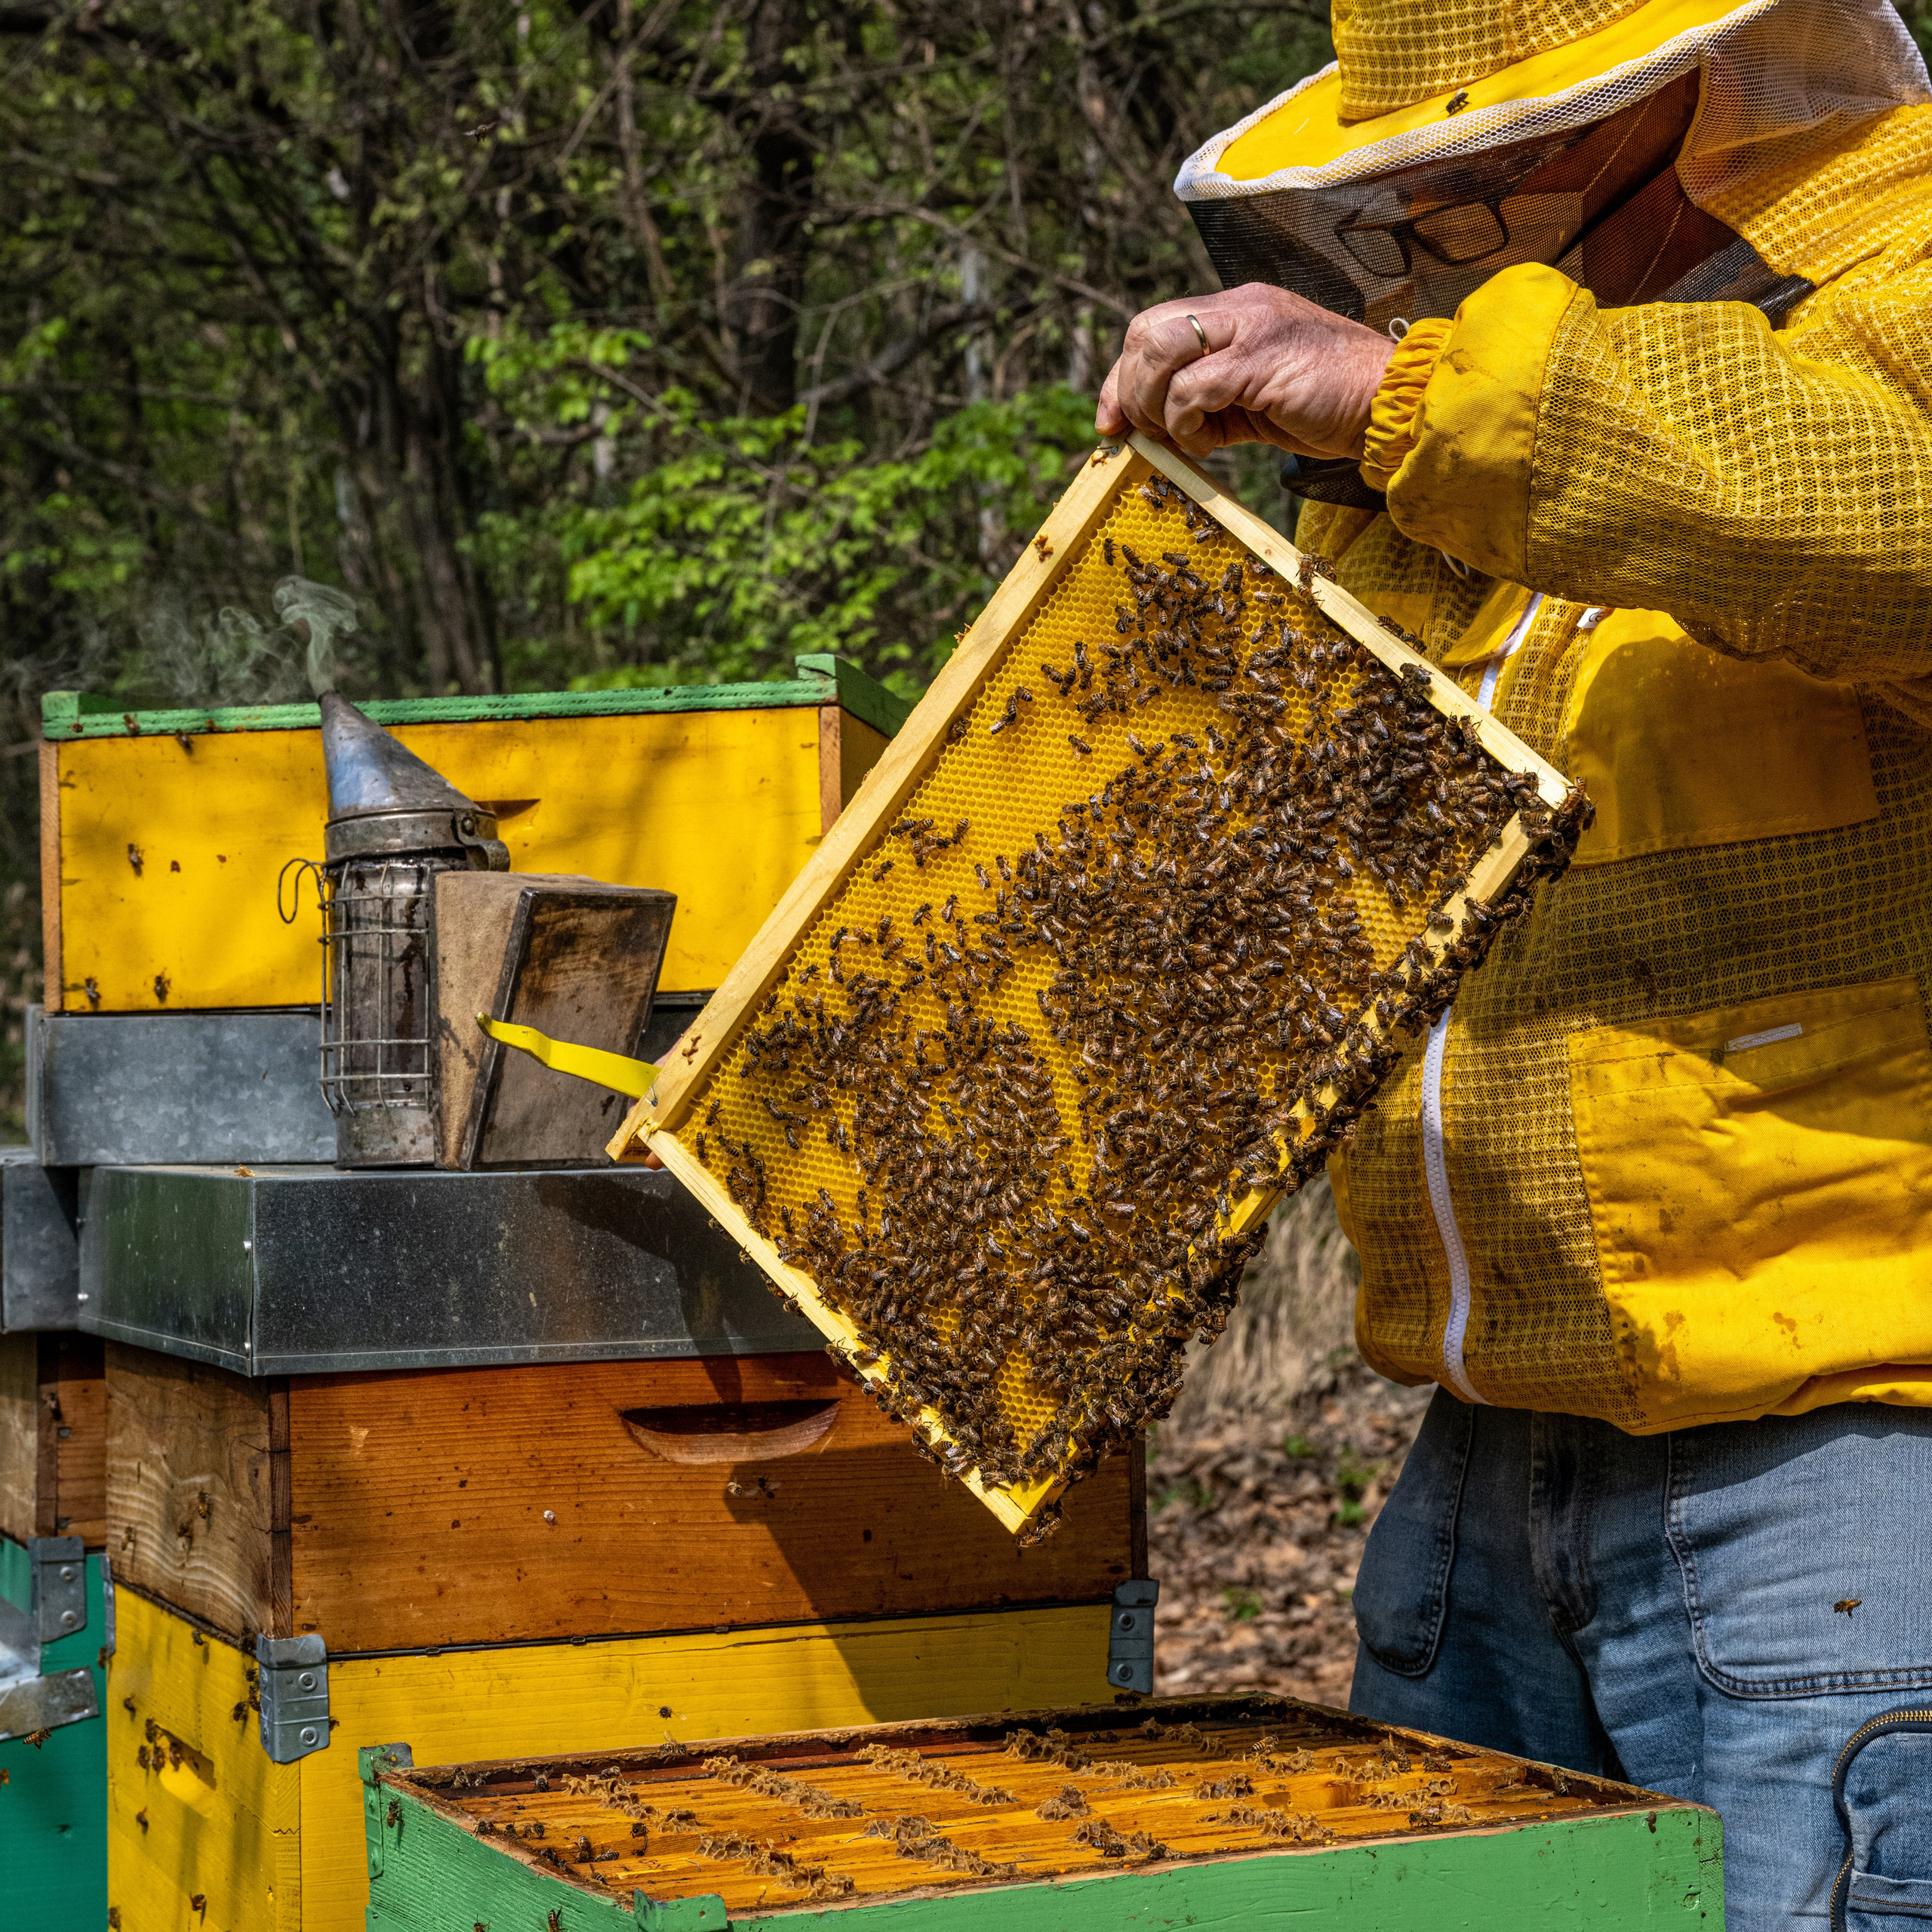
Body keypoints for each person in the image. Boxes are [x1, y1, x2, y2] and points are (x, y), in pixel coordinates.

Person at [1097, 1, 1932, 1924]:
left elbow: (1877, 514)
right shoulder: (1486, 421)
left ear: (1672, 104)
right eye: (1400, 184)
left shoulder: (1890, 287)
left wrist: (1411, 399)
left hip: (1847, 1473)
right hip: (1482, 1459)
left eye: (1474, 163)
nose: (1429, 213)